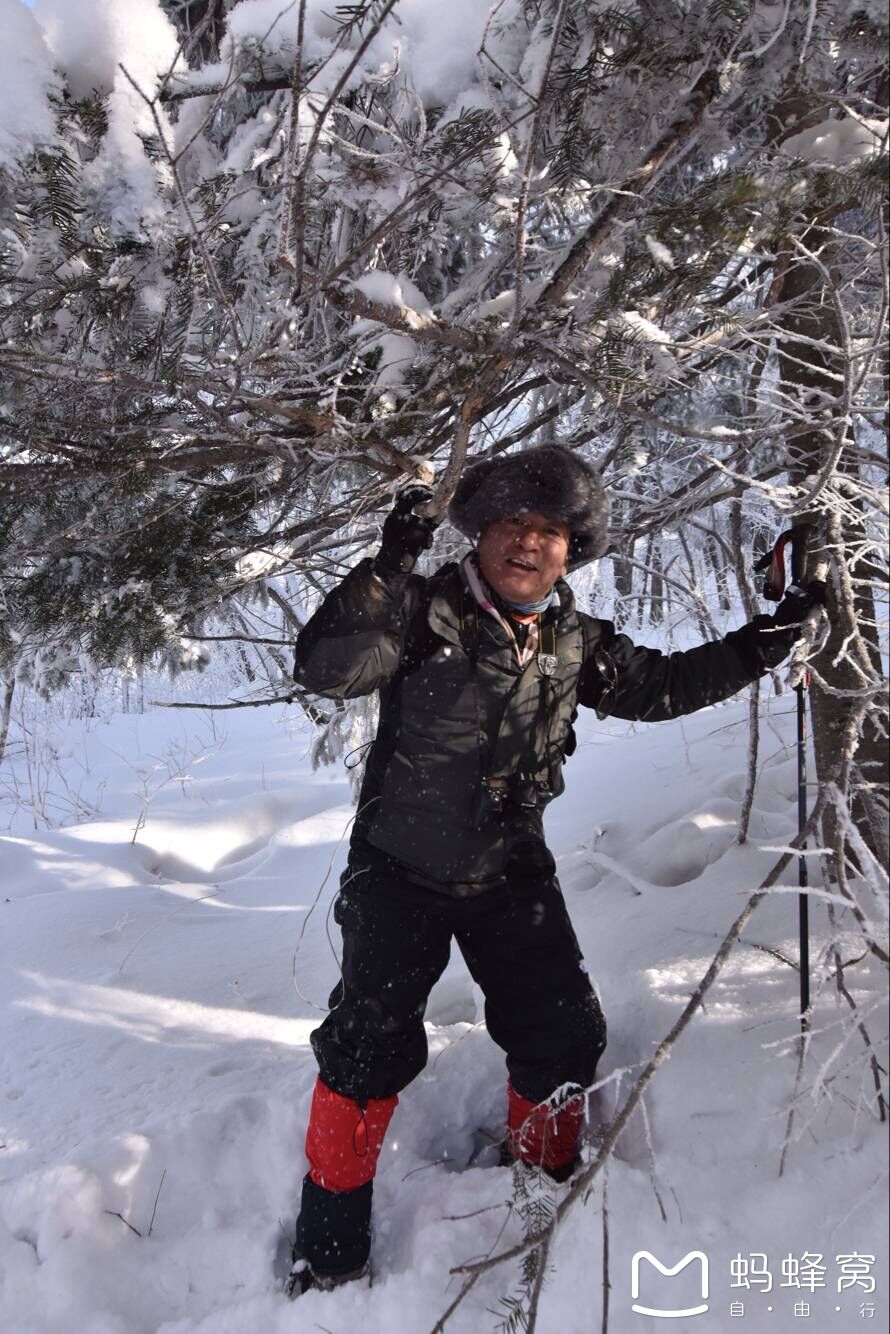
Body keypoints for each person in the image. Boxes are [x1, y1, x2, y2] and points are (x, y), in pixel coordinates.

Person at [286, 444, 821, 1296]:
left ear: (573, 548)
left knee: (565, 1032)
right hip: (398, 868)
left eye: (550, 531)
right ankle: (328, 1245)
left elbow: (666, 686)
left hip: (509, 868)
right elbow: (326, 666)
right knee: (364, 1050)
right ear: (480, 533)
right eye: (512, 524)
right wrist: (389, 563)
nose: (529, 544)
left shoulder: (574, 641)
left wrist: (776, 631)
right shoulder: (422, 613)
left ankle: (541, 1189)